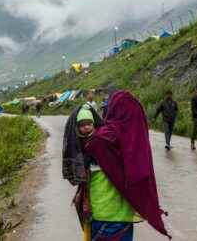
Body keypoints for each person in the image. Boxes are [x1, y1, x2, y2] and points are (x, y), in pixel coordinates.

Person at [63, 92, 171, 241]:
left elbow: (77, 173)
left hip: (105, 215)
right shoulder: (134, 139)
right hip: (124, 215)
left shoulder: (102, 139)